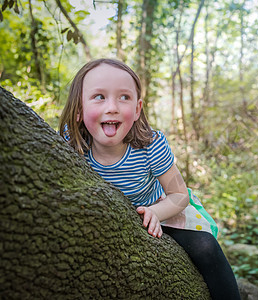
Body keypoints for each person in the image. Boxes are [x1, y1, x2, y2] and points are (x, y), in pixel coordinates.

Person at [59, 58, 241, 300]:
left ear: (137, 109)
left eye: (124, 97)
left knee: (206, 247)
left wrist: (155, 212)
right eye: (99, 97)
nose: (112, 107)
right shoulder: (70, 143)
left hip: (161, 211)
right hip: (106, 220)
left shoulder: (149, 144)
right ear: (79, 108)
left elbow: (179, 195)